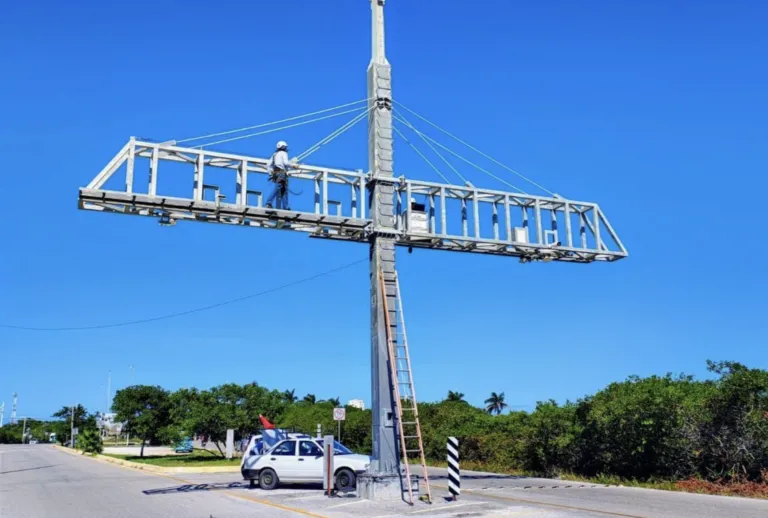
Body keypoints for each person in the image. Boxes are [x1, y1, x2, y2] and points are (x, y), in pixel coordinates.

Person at [265, 141, 300, 209]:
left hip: (276, 172)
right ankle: (268, 203)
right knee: (279, 187)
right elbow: (285, 163)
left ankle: (286, 207)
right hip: (281, 172)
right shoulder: (284, 153)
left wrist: (271, 174)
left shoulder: (274, 154)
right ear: (284, 147)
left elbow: (268, 165)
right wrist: (294, 165)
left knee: (283, 189)